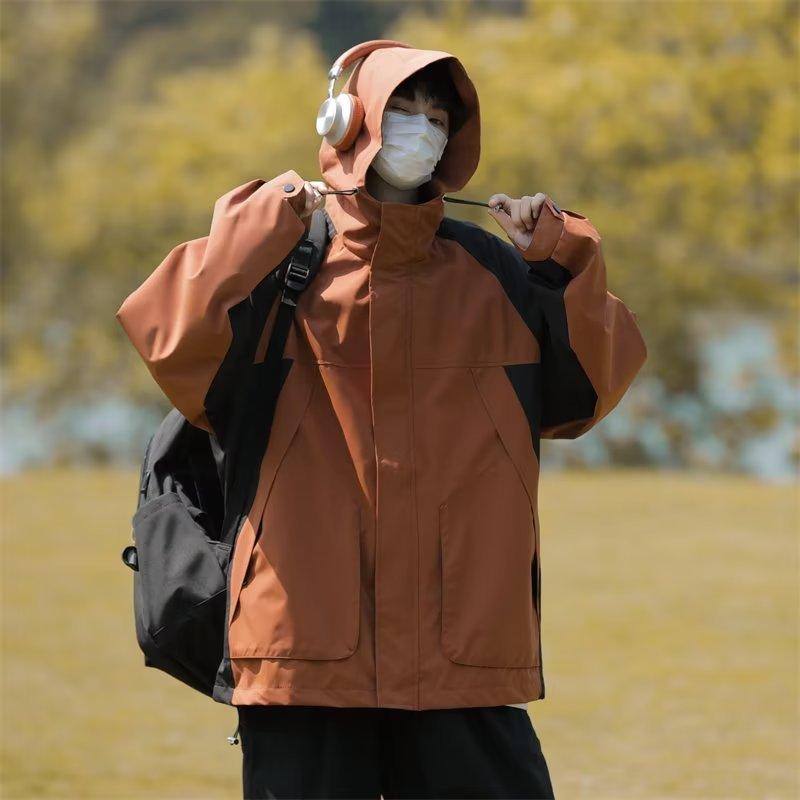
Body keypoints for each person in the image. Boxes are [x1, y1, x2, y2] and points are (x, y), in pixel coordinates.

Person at [116, 41, 647, 800]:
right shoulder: (278, 260)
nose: (420, 129)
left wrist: (560, 259)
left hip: (461, 654)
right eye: (402, 108)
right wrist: (251, 232)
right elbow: (171, 342)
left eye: (437, 117)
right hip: (305, 650)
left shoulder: (494, 272)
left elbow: (590, 391)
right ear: (347, 118)